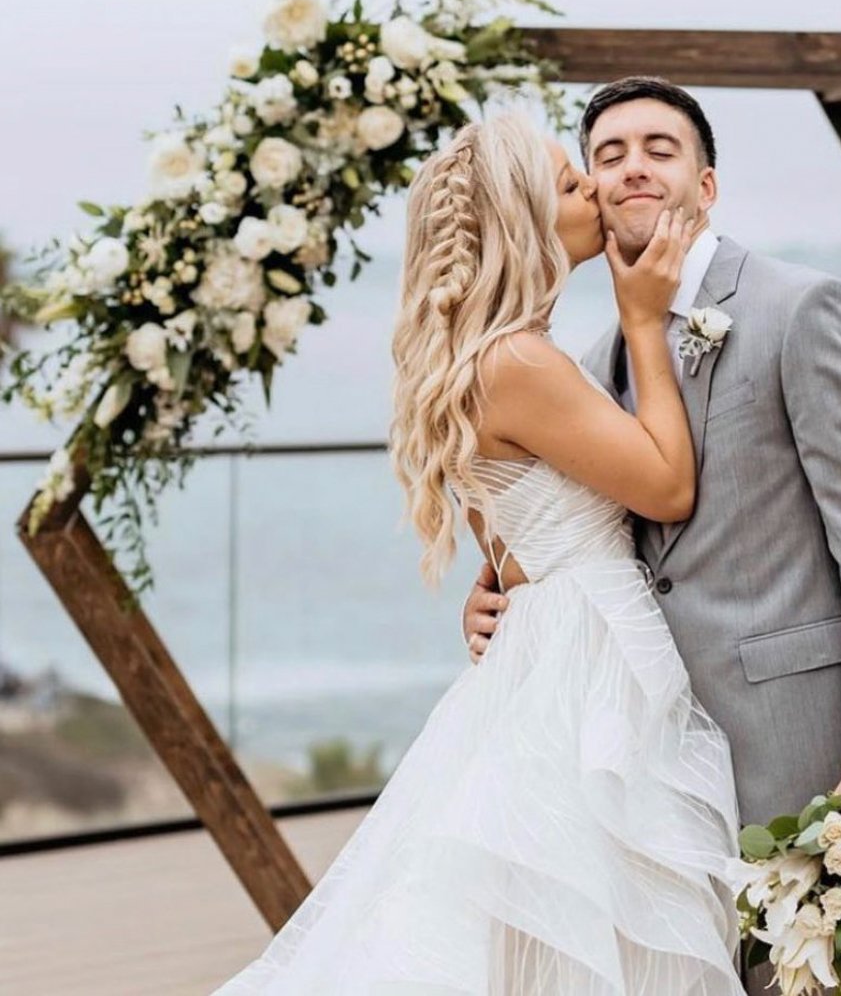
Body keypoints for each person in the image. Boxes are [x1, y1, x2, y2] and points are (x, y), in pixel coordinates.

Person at [211, 112, 747, 994]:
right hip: (582, 660)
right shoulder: (521, 363)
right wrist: (644, 322)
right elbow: (666, 488)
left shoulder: (488, 357)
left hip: (546, 638)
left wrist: (491, 583)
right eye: (574, 186)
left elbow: (517, 531)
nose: (598, 191)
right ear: (526, 225)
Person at [462, 78, 841, 996]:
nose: (632, 166)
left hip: (799, 738)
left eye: (659, 148)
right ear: (591, 193)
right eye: (607, 155)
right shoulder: (594, 355)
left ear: (707, 187)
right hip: (649, 750)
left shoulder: (802, 308)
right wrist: (497, 598)